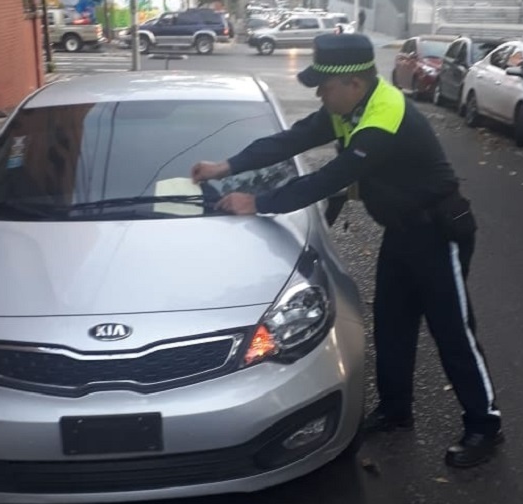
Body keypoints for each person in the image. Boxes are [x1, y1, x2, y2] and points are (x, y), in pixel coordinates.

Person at [190, 33, 503, 469]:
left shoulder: (383, 116)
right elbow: (289, 140)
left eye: (324, 85)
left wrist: (256, 202)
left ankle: (485, 424)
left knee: (452, 329)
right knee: (392, 322)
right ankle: (396, 409)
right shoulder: (347, 107)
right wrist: (226, 166)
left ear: (354, 83)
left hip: (437, 233)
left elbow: (329, 178)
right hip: (401, 231)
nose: (319, 93)